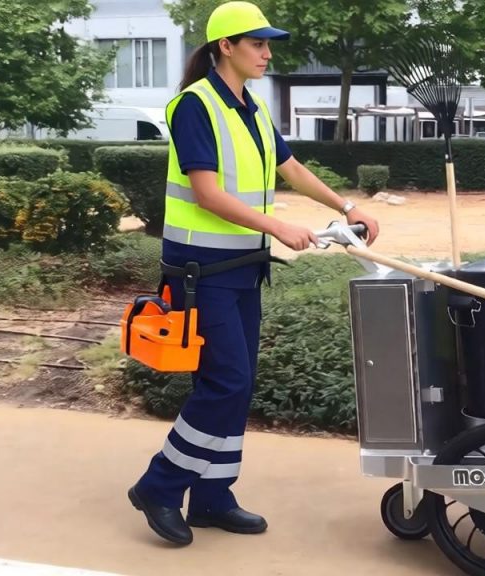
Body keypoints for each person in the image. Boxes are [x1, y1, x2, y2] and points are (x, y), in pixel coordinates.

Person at [127, 1, 380, 546]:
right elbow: (207, 192)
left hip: (242, 268)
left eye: (268, 44)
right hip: (201, 271)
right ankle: (160, 485)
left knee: (235, 388)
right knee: (227, 381)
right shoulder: (194, 106)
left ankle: (213, 497)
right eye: (257, 43)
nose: (267, 53)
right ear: (226, 47)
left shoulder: (251, 107)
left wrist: (345, 207)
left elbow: (288, 167)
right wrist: (277, 225)